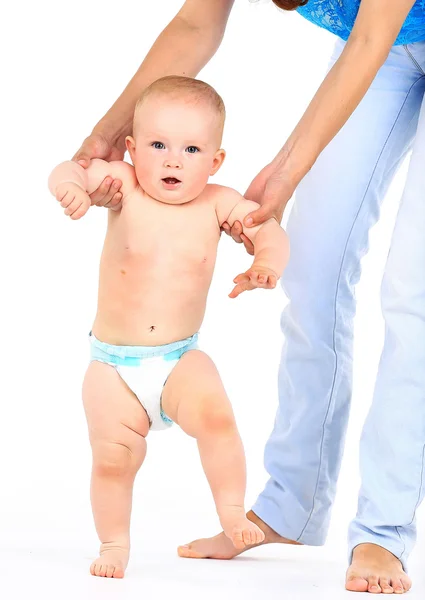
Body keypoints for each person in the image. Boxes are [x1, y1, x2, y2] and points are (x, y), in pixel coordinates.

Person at [73, 0, 425, 593]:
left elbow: (369, 35)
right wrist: (104, 136)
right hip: (384, 51)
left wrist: (287, 168)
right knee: (311, 266)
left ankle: (383, 532)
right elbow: (196, 22)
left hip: (377, 39)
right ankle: (291, 506)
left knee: (412, 293)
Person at [48, 75, 289, 578]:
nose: (173, 160)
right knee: (113, 461)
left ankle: (230, 512)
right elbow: (70, 169)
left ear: (216, 160)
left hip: (180, 359)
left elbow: (269, 228)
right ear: (133, 150)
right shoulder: (125, 187)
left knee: (218, 420)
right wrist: (71, 188)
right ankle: (113, 543)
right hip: (113, 370)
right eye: (158, 145)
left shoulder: (219, 202)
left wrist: (265, 261)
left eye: (192, 148)